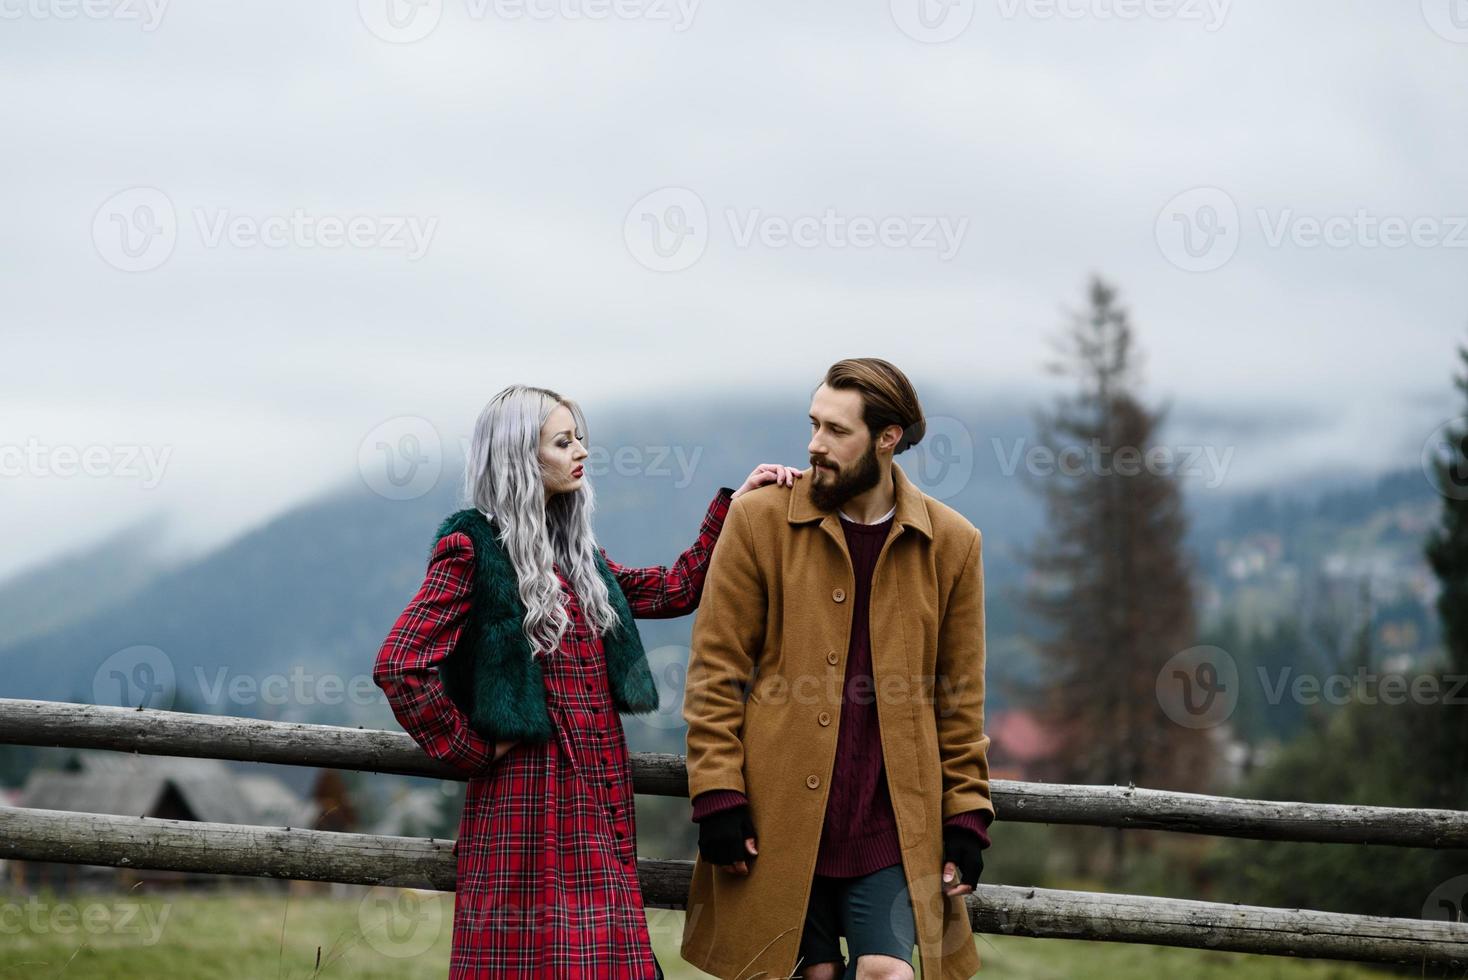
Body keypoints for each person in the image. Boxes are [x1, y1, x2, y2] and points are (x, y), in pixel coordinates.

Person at [373, 383, 802, 980]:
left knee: (604, 959)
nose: (580, 452)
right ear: (520, 455)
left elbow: (675, 587)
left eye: (580, 439)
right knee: (533, 963)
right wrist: (470, 750)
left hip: (599, 786)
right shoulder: (472, 545)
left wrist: (736, 507)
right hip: (525, 800)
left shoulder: (575, 553)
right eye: (562, 441)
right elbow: (400, 663)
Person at [680, 358, 994, 980]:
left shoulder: (953, 545)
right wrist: (716, 791)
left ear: (887, 438)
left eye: (836, 431)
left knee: (888, 973)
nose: (814, 445)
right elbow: (715, 672)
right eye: (813, 424)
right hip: (776, 820)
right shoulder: (758, 520)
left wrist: (966, 814)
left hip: (890, 822)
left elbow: (959, 701)